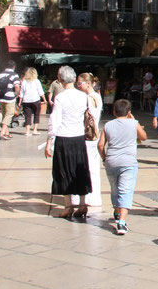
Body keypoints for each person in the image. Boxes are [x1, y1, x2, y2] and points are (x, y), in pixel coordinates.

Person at [45, 66, 92, 220]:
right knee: (80, 168)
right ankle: (83, 204)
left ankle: (68, 206)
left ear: (60, 80)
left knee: (64, 170)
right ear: (74, 79)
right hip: (78, 137)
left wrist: (49, 141)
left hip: (63, 137)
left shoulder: (60, 98)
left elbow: (55, 120)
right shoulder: (83, 97)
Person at [98, 98, 146, 235]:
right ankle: (122, 222)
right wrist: (134, 120)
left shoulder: (108, 125)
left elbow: (100, 145)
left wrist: (104, 157)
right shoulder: (133, 123)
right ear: (129, 112)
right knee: (125, 190)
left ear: (114, 112)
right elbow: (143, 137)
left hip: (111, 161)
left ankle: (118, 212)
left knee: (115, 189)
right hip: (128, 162)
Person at [74, 72, 104, 209]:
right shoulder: (97, 96)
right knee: (93, 167)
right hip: (94, 136)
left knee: (85, 167)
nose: (78, 86)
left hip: (87, 136)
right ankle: (93, 196)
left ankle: (86, 196)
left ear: (88, 83)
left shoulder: (89, 98)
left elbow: (88, 117)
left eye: (80, 83)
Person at [0, 60, 21, 140]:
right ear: (14, 67)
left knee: (4, 114)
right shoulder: (14, 75)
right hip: (10, 97)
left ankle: (7, 133)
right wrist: (17, 94)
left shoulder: (1, 74)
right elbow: (16, 86)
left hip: (1, 97)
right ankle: (2, 133)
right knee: (9, 114)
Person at [19, 67, 45, 136]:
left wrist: (19, 101)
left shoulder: (24, 81)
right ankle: (35, 130)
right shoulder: (37, 81)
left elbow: (21, 92)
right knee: (36, 114)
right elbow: (40, 91)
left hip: (26, 101)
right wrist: (44, 99)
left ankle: (27, 131)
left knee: (27, 116)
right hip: (35, 100)